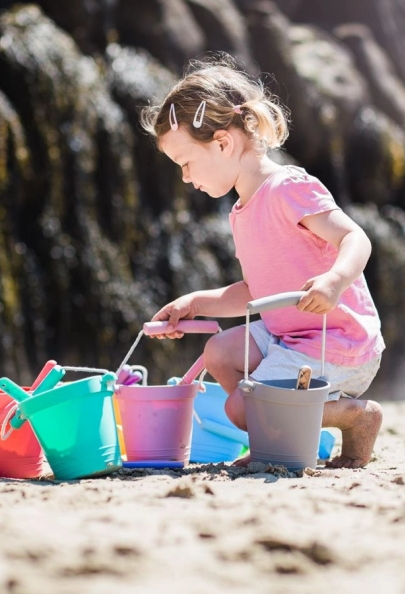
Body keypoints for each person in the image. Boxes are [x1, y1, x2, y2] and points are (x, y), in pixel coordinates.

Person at [140, 57, 385, 469]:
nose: (185, 178)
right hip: (289, 338)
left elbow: (354, 237)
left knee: (239, 409)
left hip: (338, 344)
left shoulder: (288, 188)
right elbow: (258, 291)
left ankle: (355, 418)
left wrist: (335, 281)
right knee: (218, 351)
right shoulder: (241, 211)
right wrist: (195, 303)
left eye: (186, 164)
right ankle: (275, 426)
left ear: (223, 143)